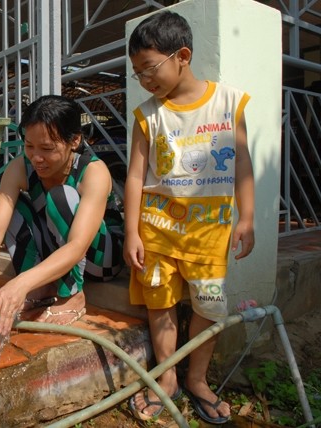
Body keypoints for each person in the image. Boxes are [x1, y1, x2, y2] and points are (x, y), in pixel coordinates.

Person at [124, 11, 255, 425]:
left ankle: (197, 379)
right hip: (157, 231)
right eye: (137, 74)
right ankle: (166, 378)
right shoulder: (148, 115)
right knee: (159, 305)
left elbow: (244, 164)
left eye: (150, 69)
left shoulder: (229, 102)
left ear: (182, 55)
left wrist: (247, 217)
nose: (145, 81)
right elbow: (134, 175)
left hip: (209, 235)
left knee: (209, 307)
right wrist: (131, 231)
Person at [0, 95, 120, 336]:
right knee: (2, 201)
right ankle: (42, 288)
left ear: (74, 140)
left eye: (47, 148)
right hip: (57, 250)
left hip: (101, 259)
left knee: (61, 197)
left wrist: (20, 283)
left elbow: (77, 246)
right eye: (29, 146)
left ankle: (72, 295)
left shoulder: (93, 171)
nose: (36, 158)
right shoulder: (20, 167)